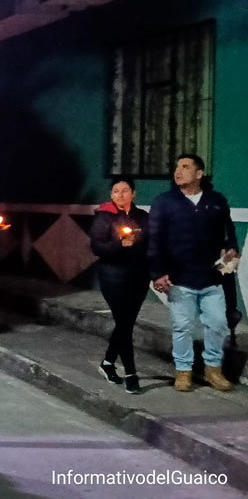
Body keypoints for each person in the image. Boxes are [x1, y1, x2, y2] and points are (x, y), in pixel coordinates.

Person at [148, 154, 238, 393]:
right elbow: (154, 240)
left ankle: (213, 369)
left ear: (199, 174)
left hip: (211, 279)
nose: (178, 171)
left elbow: (228, 234)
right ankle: (184, 370)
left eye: (186, 167)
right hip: (179, 280)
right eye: (177, 166)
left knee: (218, 323)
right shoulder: (164, 202)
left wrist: (231, 253)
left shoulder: (216, 201)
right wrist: (158, 272)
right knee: (182, 327)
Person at [89, 178, 149, 394]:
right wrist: (119, 245)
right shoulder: (104, 216)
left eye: (125, 191)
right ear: (111, 195)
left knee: (126, 324)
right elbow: (96, 247)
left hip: (139, 278)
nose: (120, 195)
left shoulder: (142, 217)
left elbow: (150, 244)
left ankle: (107, 363)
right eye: (116, 191)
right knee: (123, 323)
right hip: (113, 277)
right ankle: (131, 373)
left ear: (133, 193)